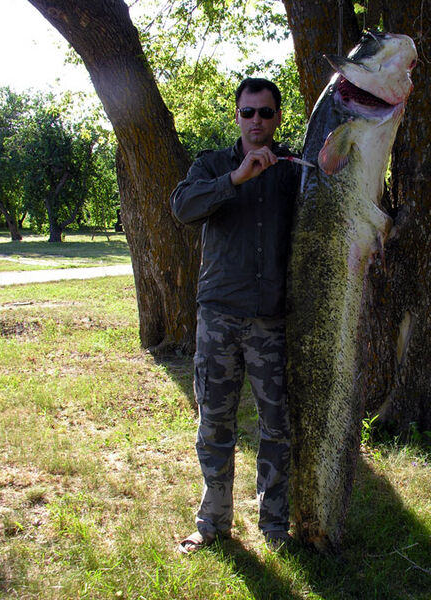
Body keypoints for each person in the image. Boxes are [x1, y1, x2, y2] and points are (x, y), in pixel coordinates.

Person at [170, 77, 300, 553]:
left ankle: (275, 526)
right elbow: (182, 207)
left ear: (277, 117)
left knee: (277, 428)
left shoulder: (293, 170)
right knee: (215, 424)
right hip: (219, 316)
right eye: (248, 112)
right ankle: (212, 522)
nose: (256, 121)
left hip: (271, 320)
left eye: (265, 112)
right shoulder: (212, 165)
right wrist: (235, 179)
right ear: (238, 116)